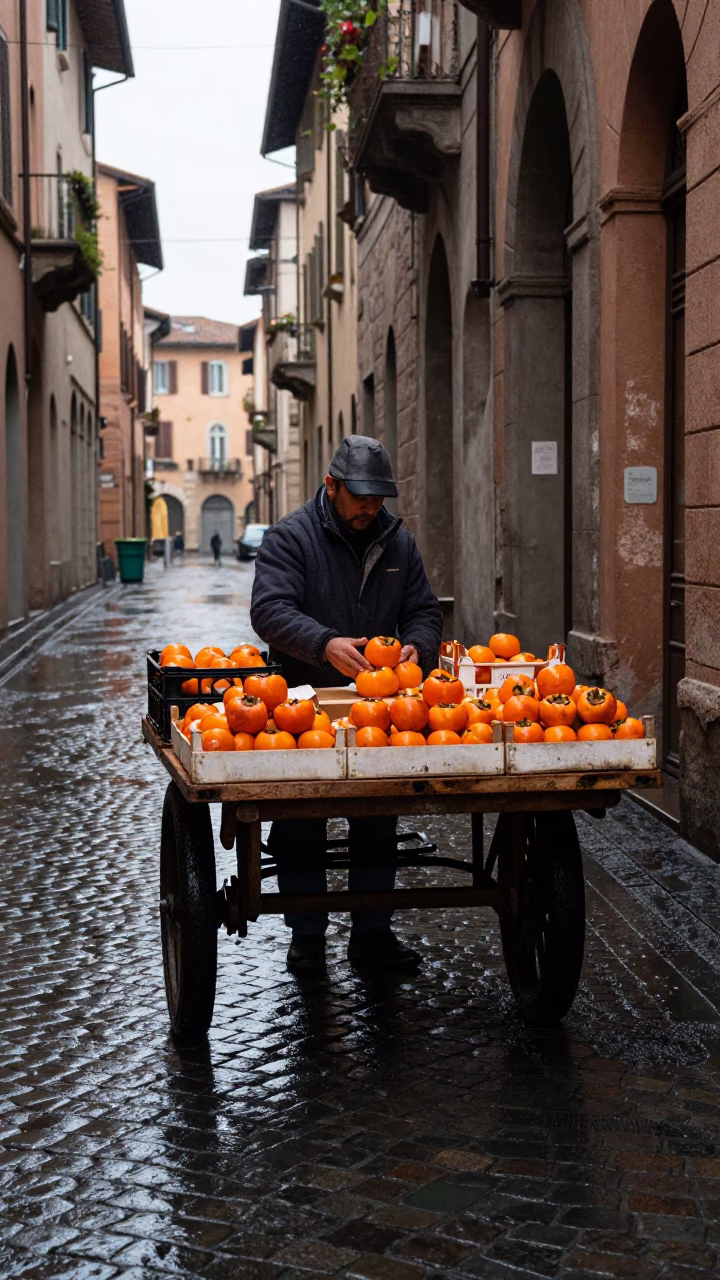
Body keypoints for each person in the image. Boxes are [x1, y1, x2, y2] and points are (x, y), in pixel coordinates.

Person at [251, 436, 443, 974]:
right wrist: (323, 644)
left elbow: (424, 612)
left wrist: (418, 648)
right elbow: (269, 609)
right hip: (300, 708)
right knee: (300, 819)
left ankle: (372, 934)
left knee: (377, 814)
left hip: (380, 710)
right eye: (360, 497)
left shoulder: (397, 542)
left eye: (377, 499)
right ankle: (307, 935)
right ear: (331, 486)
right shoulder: (290, 538)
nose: (369, 509)